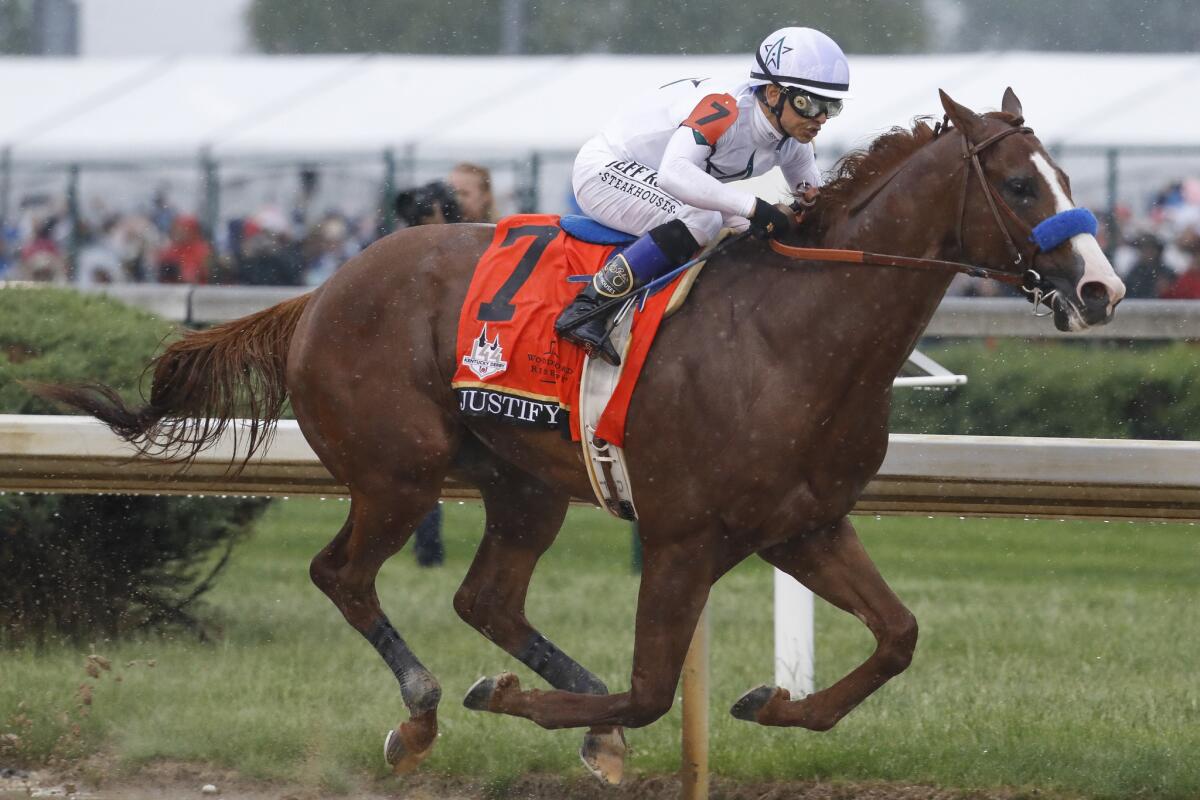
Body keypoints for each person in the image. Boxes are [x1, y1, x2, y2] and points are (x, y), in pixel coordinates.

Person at [555, 26, 850, 365]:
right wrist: (755, 207)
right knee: (705, 218)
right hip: (606, 169)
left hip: (662, 181)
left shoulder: (793, 138)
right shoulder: (725, 107)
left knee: (743, 233)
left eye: (832, 106)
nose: (821, 118)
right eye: (808, 103)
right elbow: (674, 172)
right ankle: (588, 306)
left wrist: (807, 209)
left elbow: (812, 202)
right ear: (772, 93)